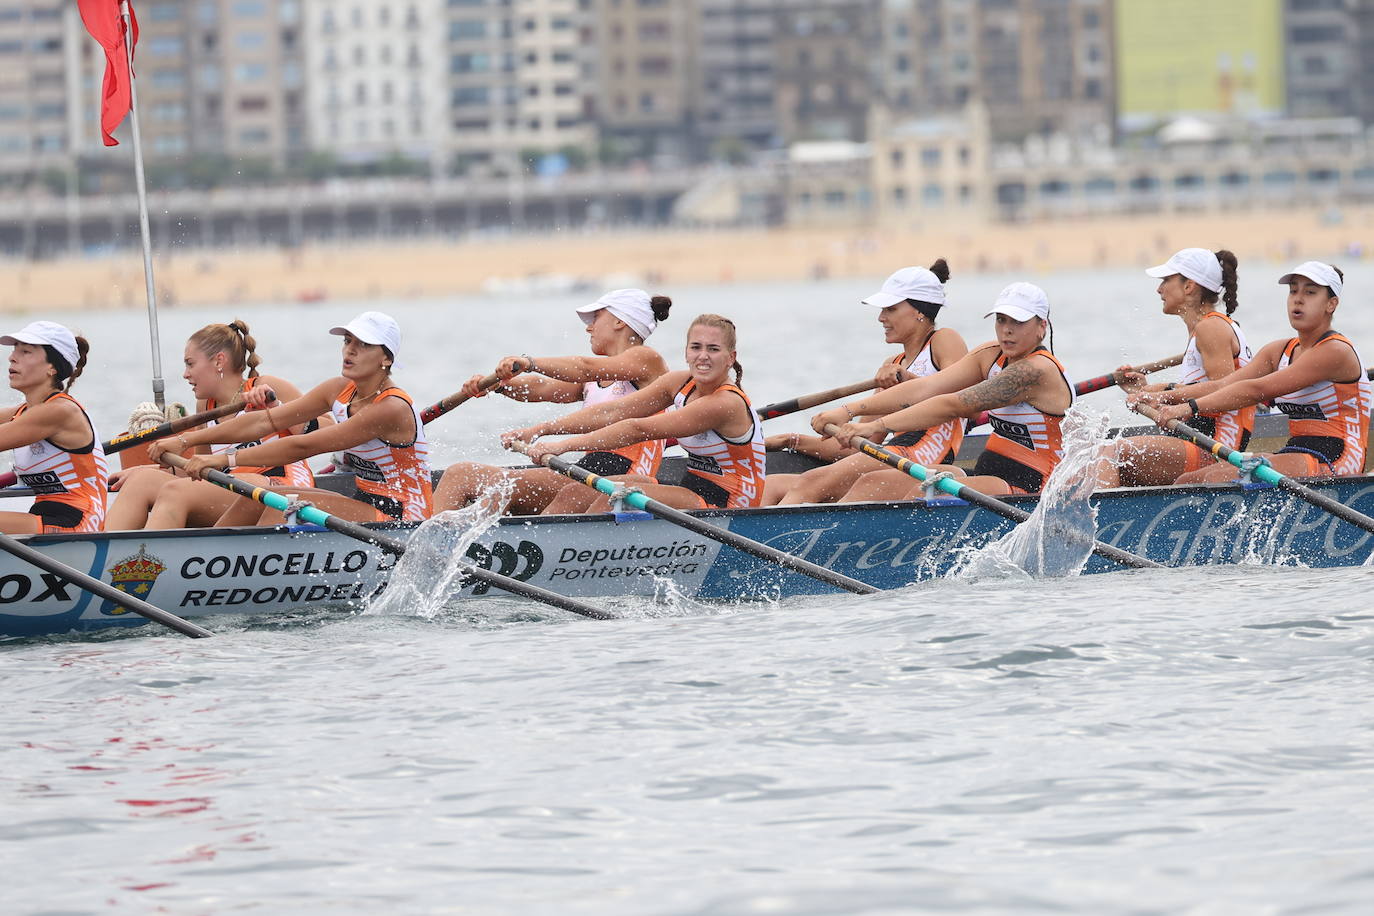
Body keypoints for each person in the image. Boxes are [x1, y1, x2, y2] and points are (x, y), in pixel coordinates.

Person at [148, 311, 432, 523]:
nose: (350, 350)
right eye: (347, 341)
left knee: (279, 502)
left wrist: (222, 460)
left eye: (364, 345)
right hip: (365, 501)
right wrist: (186, 440)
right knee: (267, 498)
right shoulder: (337, 389)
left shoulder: (391, 407)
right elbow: (263, 421)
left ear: (387, 359)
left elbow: (304, 446)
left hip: (405, 516)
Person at [812, 282, 1074, 498]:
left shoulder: (1034, 371)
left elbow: (954, 405)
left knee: (925, 493)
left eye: (1018, 322)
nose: (1006, 330)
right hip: (989, 474)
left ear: (1041, 327)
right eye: (1001, 320)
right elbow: (926, 388)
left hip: (1035, 486)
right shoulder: (990, 355)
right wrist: (847, 411)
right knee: (879, 482)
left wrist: (873, 426)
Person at [432, 289, 673, 516]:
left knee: (461, 475)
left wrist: (529, 361)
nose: (589, 328)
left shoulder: (647, 359)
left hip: (624, 478)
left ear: (620, 321)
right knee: (470, 483)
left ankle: (429, 549)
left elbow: (584, 368)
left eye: (596, 318)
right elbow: (542, 388)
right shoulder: (597, 375)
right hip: (589, 469)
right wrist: (497, 386)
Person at [512, 313, 766, 512]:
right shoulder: (678, 382)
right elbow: (612, 411)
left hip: (732, 505)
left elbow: (638, 429)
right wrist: (540, 430)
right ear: (686, 352)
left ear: (730, 357)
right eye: (696, 347)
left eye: (713, 349)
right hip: (692, 488)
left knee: (611, 498)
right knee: (575, 492)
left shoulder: (725, 402)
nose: (703, 357)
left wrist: (562, 447)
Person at [1143, 262, 1371, 482]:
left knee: (1217, 477)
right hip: (1298, 449)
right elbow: (1223, 385)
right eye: (1293, 292)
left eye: (1310, 293)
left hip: (1341, 459)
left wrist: (1188, 407)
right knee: (1190, 480)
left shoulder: (1335, 351)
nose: (1298, 299)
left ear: (1331, 304)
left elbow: (1257, 389)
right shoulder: (1277, 351)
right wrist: (1164, 397)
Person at [767, 260, 968, 505]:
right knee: (773, 484)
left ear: (919, 311)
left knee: (810, 482)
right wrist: (791, 440)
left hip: (922, 458)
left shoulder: (944, 340)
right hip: (892, 454)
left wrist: (906, 380)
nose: (881, 318)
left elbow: (962, 400)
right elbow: (855, 447)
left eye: (890, 309)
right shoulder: (892, 363)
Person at [106, 320, 311, 530]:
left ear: (218, 361)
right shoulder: (205, 406)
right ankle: (108, 558)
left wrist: (276, 406)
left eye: (190, 363)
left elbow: (321, 430)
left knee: (176, 492)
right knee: (141, 482)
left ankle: (152, 561)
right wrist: (142, 469)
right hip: (235, 490)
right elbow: (196, 469)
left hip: (280, 491)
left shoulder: (266, 386)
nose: (185, 374)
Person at [1095, 249, 1251, 489]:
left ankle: (1098, 525)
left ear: (1189, 286)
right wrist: (1145, 391)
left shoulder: (1212, 328)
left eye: (1166, 280)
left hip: (1217, 447)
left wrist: (1161, 395)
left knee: (1110, 454)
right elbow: (1197, 390)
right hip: (1196, 435)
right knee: (1097, 458)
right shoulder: (1204, 329)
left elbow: (1226, 392)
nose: (1159, 289)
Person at [0, 321, 106, 534]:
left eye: (26, 351)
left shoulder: (59, 411)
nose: (12, 357)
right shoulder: (24, 411)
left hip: (78, 522)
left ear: (52, 367)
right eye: (15, 350)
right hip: (44, 516)